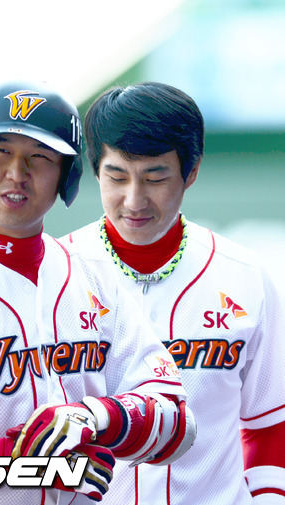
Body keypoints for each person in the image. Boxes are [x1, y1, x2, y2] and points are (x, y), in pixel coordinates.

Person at [0, 79, 196, 505]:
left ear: (67, 176)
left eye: (39, 157)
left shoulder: (93, 278)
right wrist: (23, 460)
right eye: (0, 151)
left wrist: (99, 416)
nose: (17, 173)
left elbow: (179, 425)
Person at [61, 81, 285, 504]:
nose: (134, 199)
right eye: (117, 176)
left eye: (155, 177)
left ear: (191, 171)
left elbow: (270, 424)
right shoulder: (54, 274)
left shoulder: (244, 276)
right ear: (95, 171)